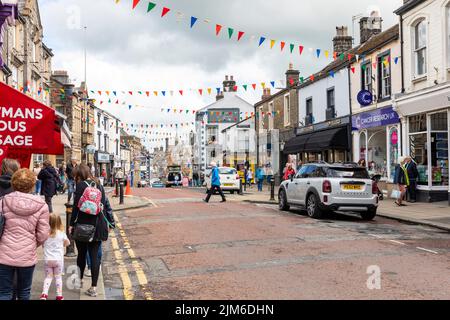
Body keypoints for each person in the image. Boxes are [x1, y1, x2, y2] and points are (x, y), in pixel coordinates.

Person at [0, 169, 50, 300]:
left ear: (14, 183)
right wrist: (32, 243)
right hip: (27, 255)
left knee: (4, 292)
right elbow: (43, 234)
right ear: (32, 184)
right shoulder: (41, 205)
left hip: (4, 253)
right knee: (24, 292)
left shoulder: (3, 201)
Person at [69, 164, 115, 297]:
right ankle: (94, 288)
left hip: (83, 226)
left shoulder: (81, 186)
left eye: (76, 176)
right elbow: (104, 206)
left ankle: (80, 281)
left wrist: (71, 224)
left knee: (82, 255)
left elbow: (76, 208)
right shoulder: (99, 184)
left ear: (79, 175)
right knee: (95, 257)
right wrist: (109, 223)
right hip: (98, 225)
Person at [40, 214, 70, 300]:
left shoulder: (45, 234)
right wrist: (62, 244)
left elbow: (42, 244)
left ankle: (44, 294)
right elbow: (67, 243)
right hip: (58, 260)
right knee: (58, 278)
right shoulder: (62, 234)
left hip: (48, 260)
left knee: (48, 277)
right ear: (59, 222)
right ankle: (59, 295)